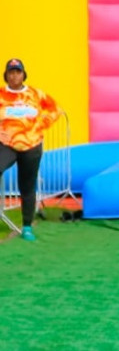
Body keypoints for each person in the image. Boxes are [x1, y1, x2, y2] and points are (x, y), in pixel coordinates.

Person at [0, 58, 61, 241]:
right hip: (7, 144)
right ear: (6, 75)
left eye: (18, 72)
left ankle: (27, 226)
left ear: (23, 74)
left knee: (27, 186)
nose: (14, 75)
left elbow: (55, 109)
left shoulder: (35, 93)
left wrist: (41, 125)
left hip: (32, 145)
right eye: (11, 72)